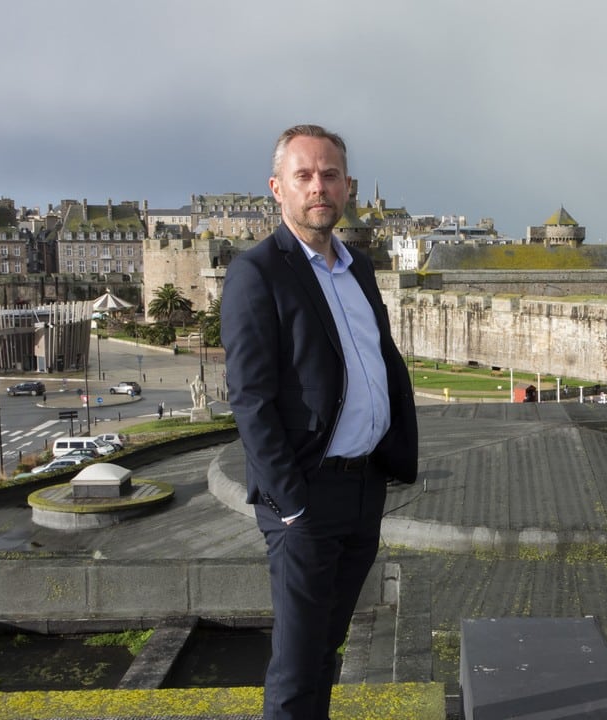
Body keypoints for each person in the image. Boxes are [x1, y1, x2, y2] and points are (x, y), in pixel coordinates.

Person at [221, 124, 418, 720]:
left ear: (348, 187)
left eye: (329, 175)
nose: (318, 187)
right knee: (297, 663)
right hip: (305, 497)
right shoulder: (258, 273)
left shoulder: (356, 268)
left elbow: (377, 360)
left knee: (326, 650)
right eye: (304, 175)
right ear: (277, 188)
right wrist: (291, 502)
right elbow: (249, 399)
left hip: (362, 488)